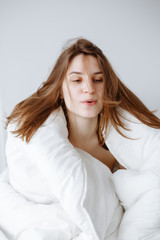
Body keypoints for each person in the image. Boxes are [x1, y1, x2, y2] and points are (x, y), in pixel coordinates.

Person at [0, 38, 160, 240]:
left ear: (107, 86)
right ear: (60, 89)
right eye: (77, 80)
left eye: (98, 79)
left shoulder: (118, 156)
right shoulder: (46, 145)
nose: (89, 89)